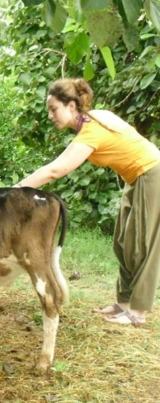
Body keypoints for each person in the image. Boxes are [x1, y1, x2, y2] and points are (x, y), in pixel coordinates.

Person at [13, 77, 160, 327]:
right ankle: (123, 303)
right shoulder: (94, 121)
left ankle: (138, 312)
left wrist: (13, 190)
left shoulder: (92, 129)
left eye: (53, 109)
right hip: (135, 178)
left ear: (71, 106)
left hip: (151, 173)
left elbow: (55, 171)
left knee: (141, 245)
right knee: (122, 243)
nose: (50, 116)